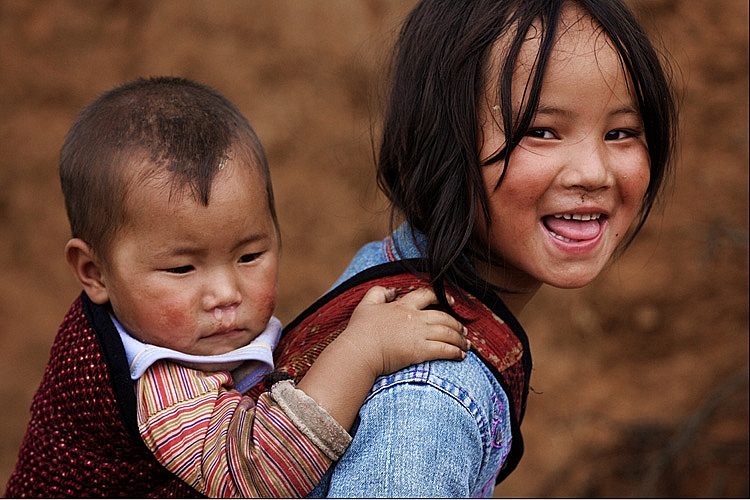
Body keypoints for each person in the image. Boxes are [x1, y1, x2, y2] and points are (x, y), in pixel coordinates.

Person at [262, 0, 679, 497]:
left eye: (621, 133)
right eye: (540, 131)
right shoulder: (430, 398)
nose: (592, 171)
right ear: (441, 143)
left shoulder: (390, 268)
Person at [5, 77, 470, 498]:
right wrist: (362, 351)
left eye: (249, 256)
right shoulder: (155, 379)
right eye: (182, 269)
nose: (225, 293)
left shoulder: (178, 331)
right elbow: (256, 473)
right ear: (94, 272)